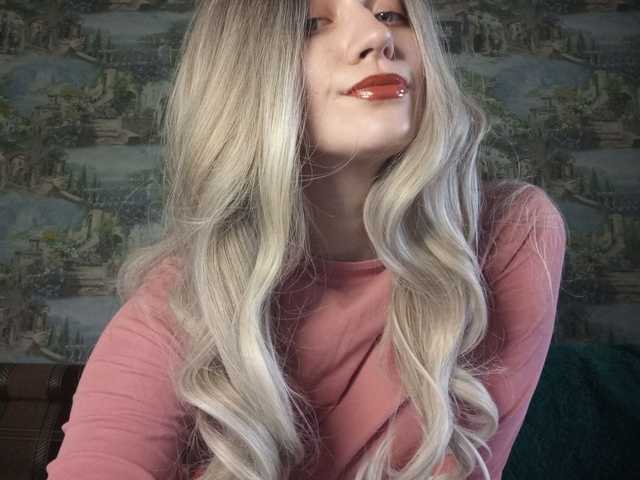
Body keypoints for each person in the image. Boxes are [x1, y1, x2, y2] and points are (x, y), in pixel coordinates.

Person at [46, 0, 567, 479]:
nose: (377, 38)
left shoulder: (512, 233)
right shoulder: (177, 304)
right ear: (244, 74)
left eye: (390, 14)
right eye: (312, 24)